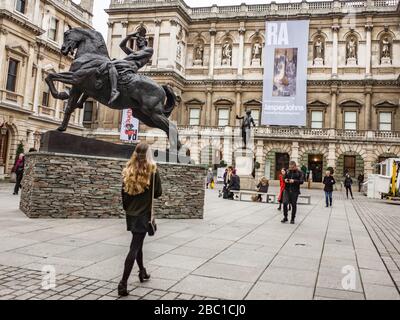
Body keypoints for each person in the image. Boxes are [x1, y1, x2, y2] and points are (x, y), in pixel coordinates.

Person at [119, 143, 162, 297]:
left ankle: (142, 271)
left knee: (138, 244)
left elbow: (123, 193)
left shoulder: (128, 169)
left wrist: (128, 209)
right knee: (134, 247)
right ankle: (123, 283)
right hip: (144, 215)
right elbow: (158, 193)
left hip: (131, 214)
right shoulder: (152, 170)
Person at [98, 29, 154, 105]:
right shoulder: (134, 53)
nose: (138, 41)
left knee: (110, 64)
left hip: (131, 66)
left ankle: (114, 91)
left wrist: (117, 61)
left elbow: (135, 55)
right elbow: (122, 45)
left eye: (140, 40)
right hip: (125, 64)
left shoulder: (149, 50)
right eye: (137, 41)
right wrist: (129, 36)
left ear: (145, 41)